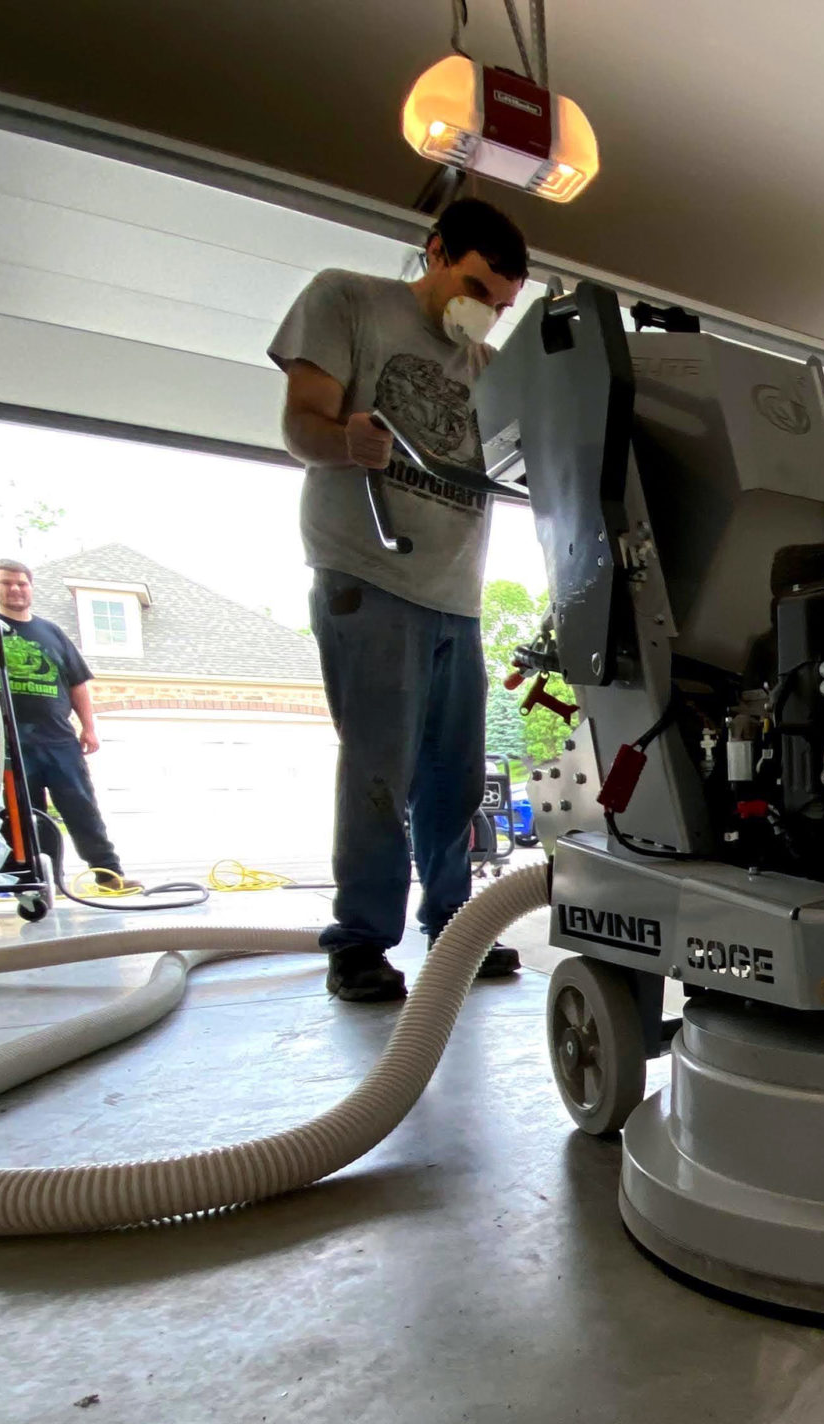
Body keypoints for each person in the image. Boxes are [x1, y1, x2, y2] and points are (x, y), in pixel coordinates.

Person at [269, 197, 530, 1003]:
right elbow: (300, 424)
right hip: (369, 575)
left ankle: (452, 926)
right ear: (436, 250)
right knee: (380, 769)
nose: (485, 312)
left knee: (453, 778)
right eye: (478, 287)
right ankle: (359, 942)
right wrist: (344, 439)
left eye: (501, 304)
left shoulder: (486, 370)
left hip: (457, 595)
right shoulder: (346, 300)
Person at [0, 559, 124, 886]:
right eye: (7, 583)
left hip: (59, 740)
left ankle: (109, 874)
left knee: (82, 808)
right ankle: (40, 882)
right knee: (25, 816)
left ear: (31, 587)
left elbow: (77, 682)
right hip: (9, 741)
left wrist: (89, 727)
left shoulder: (51, 632)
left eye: (22, 583)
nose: (15, 589)